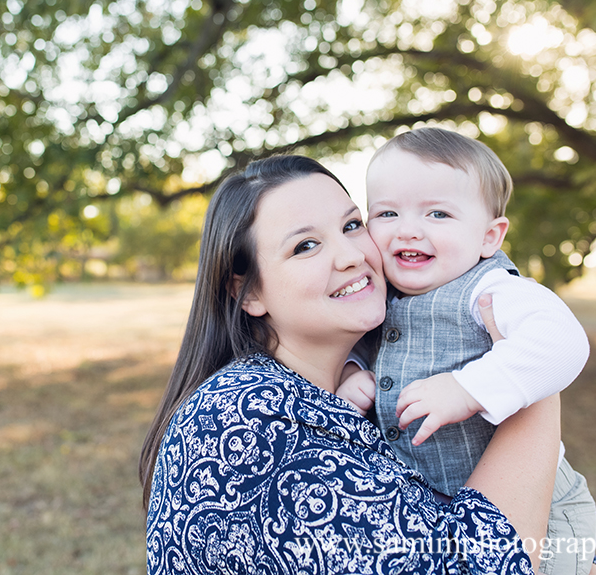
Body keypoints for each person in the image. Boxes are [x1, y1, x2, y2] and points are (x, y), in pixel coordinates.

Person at [140, 154, 561, 574]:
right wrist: (533, 366)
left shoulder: (345, 392)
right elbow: (469, 566)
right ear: (248, 294)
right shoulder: (241, 422)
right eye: (305, 246)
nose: (351, 256)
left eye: (352, 226)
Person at [335, 127, 596, 575]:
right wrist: (353, 368)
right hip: (447, 513)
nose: (409, 230)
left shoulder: (493, 289)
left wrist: (468, 388)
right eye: (386, 213)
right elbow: (375, 344)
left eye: (438, 214)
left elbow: (564, 342)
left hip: (542, 509)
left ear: (488, 238)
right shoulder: (385, 294)